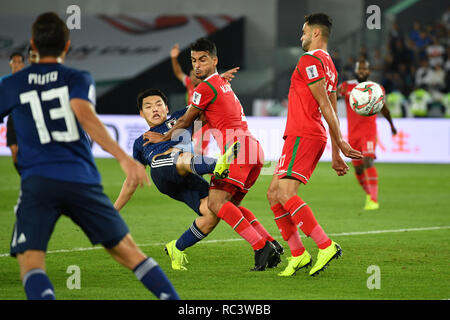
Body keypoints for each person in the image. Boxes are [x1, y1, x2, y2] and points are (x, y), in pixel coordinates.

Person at [0, 12, 179, 300]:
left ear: (32, 44)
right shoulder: (78, 77)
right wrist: (123, 158)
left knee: (31, 264)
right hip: (81, 179)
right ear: (67, 46)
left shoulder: (11, 84)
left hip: (38, 182)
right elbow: (86, 116)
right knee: (130, 254)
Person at [144, 38, 283, 271]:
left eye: (203, 60)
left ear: (214, 60)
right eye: (194, 61)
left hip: (236, 150)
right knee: (230, 207)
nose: (197, 65)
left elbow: (187, 119)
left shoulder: (205, 88)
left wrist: (163, 137)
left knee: (217, 204)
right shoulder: (220, 84)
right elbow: (200, 116)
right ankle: (270, 243)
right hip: (253, 150)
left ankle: (260, 247)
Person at [266, 13, 362, 277]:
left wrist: (340, 143)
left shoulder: (309, 59)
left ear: (316, 33)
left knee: (285, 193)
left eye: (304, 31)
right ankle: (298, 254)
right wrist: (336, 152)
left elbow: (324, 104)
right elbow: (331, 106)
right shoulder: (330, 65)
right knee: (274, 193)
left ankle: (325, 245)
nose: (301, 36)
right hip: (307, 134)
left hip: (303, 134)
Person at [114, 88, 245, 271]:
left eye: (159, 104)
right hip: (163, 172)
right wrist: (114, 210)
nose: (155, 109)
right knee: (180, 155)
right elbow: (131, 180)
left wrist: (219, 80)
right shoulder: (140, 142)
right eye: (149, 106)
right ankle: (217, 165)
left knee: (213, 213)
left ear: (166, 108)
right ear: (141, 113)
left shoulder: (180, 118)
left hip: (187, 175)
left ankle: (176, 248)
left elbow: (206, 100)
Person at [338, 58, 397, 210]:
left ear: (369, 71)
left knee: (368, 161)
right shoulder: (346, 87)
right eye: (359, 69)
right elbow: (331, 97)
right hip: (353, 134)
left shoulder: (376, 88)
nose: (362, 71)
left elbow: (384, 109)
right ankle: (369, 193)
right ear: (355, 70)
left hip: (369, 132)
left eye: (364, 69)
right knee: (358, 169)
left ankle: (373, 199)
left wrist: (392, 125)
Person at [170, 43, 239, 155]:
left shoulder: (206, 86)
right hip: (193, 118)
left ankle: (203, 165)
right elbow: (178, 72)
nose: (193, 77)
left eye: (194, 75)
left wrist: (220, 77)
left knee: (199, 150)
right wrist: (174, 58)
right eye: (191, 75)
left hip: (204, 119)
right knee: (191, 149)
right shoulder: (190, 84)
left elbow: (214, 81)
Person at [2, 52, 25, 174]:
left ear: (23, 64)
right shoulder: (4, 82)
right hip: (12, 119)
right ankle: (24, 177)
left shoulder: (28, 80)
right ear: (10, 64)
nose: (16, 64)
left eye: (19, 62)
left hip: (26, 120)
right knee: (14, 153)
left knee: (25, 152)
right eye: (14, 62)